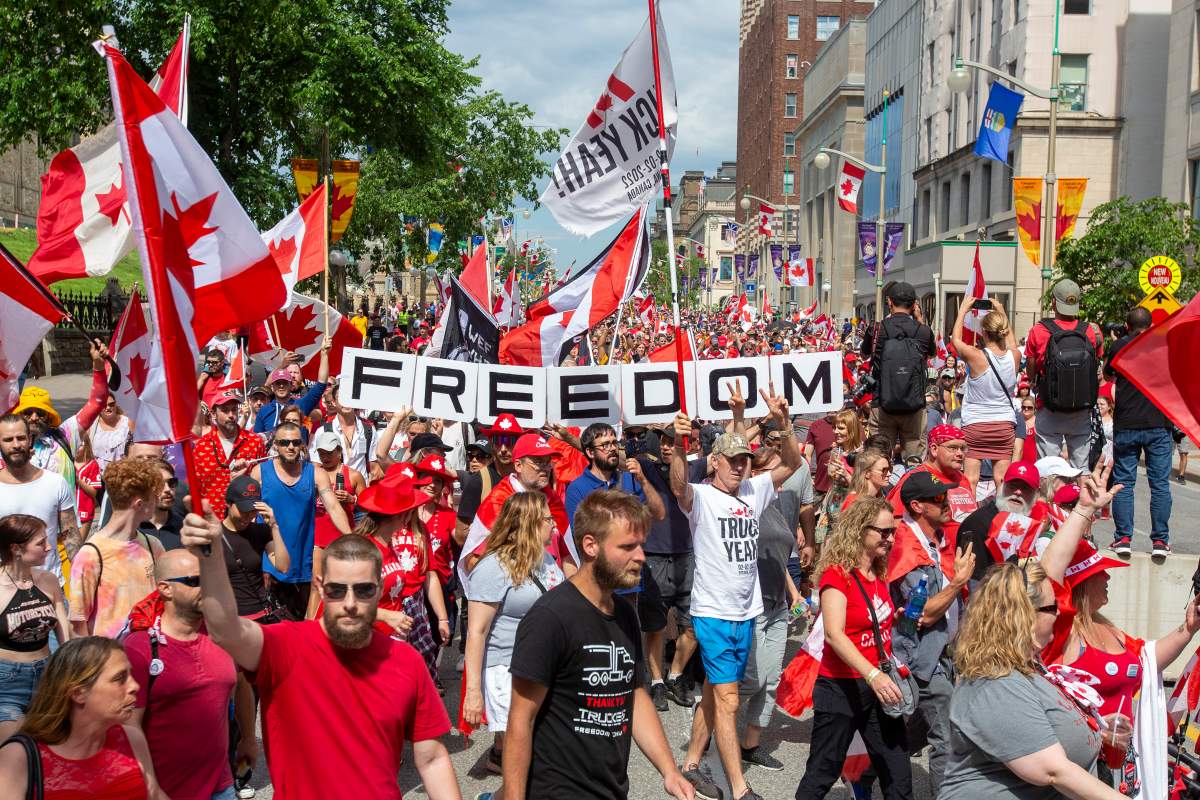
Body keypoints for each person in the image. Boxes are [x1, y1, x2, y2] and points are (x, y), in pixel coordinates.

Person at [179, 511, 461, 800]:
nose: (350, 603)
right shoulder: (285, 646)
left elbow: (432, 759)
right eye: (337, 590)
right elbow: (226, 630)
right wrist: (211, 558)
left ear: (379, 590)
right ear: (320, 587)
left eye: (363, 590)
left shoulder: (406, 662)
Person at [501, 490, 694, 800]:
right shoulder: (549, 618)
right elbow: (520, 720)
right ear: (590, 545)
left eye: (641, 545)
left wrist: (669, 771)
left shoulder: (625, 614)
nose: (641, 556)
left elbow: (633, 693)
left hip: (610, 789)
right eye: (628, 547)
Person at [671, 385, 801, 800]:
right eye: (732, 460)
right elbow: (678, 487)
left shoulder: (754, 489)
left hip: (747, 614)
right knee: (728, 701)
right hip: (712, 613)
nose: (740, 468)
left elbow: (794, 463)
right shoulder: (703, 497)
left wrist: (784, 422)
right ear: (715, 462)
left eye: (745, 460)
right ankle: (740, 790)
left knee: (714, 690)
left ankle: (692, 763)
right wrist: (677, 444)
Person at [938, 560, 1125, 800]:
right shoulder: (996, 682)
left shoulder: (1029, 669)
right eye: (1051, 608)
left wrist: (1095, 728)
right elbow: (1053, 770)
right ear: (1023, 616)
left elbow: (1041, 724)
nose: (1059, 613)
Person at [794, 496, 912, 800]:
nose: (890, 538)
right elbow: (834, 634)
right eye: (883, 532)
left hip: (878, 688)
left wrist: (891, 621)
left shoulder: (878, 571)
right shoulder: (838, 575)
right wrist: (873, 675)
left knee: (897, 772)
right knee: (823, 771)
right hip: (841, 688)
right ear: (860, 530)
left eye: (892, 532)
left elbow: (869, 621)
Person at [463, 493, 566, 785]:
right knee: (524, 760)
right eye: (547, 519)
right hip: (506, 669)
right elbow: (476, 632)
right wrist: (473, 692)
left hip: (542, 668)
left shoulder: (546, 560)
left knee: (538, 754)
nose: (554, 525)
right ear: (530, 524)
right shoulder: (493, 567)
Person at [124, 549, 238, 800]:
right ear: (166, 589)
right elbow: (129, 726)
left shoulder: (222, 635)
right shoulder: (139, 648)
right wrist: (150, 787)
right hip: (168, 792)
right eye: (194, 581)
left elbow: (239, 689)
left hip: (222, 787)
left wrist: (249, 739)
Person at [889, 473, 975, 794]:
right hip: (922, 658)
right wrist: (958, 582)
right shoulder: (908, 548)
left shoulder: (932, 542)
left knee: (902, 734)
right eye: (939, 499)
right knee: (947, 739)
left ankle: (870, 777)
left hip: (940, 655)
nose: (947, 503)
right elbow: (920, 613)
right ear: (917, 506)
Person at [0, 636, 166, 799]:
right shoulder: (17, 758)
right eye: (120, 678)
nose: (135, 686)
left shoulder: (132, 739)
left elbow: (155, 795)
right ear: (78, 693)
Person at [738, 439, 814, 773]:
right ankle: (711, 719)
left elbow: (777, 557)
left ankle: (749, 745)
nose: (779, 481)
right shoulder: (745, 505)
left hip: (778, 606)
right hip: (751, 607)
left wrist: (794, 594)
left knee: (770, 681)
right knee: (751, 680)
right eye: (772, 473)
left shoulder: (777, 509)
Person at [252, 421, 350, 620]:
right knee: (270, 627)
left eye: (296, 442)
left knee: (298, 623)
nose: (290, 447)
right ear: (275, 445)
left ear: (303, 445)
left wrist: (351, 537)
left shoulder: (316, 473)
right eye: (285, 442)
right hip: (269, 564)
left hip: (302, 562)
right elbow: (243, 511)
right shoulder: (260, 473)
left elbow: (333, 506)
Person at [459, 433, 577, 591]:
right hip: (516, 599)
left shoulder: (553, 500)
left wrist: (573, 593)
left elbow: (566, 554)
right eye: (538, 461)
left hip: (553, 600)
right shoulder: (499, 501)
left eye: (548, 461)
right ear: (518, 465)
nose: (545, 467)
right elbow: (473, 560)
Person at [636, 425, 701, 711]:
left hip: (688, 556)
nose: (665, 446)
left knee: (694, 625)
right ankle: (657, 682)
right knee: (655, 627)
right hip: (654, 557)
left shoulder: (695, 468)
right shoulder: (645, 467)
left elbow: (731, 449)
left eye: (672, 441)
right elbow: (602, 451)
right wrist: (568, 438)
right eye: (662, 440)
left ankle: (675, 674)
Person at [1103, 306, 1174, 557]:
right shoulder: (1163, 344)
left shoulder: (1119, 345)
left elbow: (1107, 374)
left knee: (1123, 483)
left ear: (1127, 324)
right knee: (1160, 484)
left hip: (1128, 422)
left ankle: (1123, 537)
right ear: (1151, 324)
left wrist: (1117, 343)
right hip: (1158, 422)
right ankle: (1160, 542)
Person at [69, 458, 166, 638]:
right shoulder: (90, 554)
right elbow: (77, 626)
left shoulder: (154, 546)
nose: (157, 501)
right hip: (109, 658)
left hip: (149, 656)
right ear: (139, 504)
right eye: (154, 497)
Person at [0, 515, 69, 739]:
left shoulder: (48, 580)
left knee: (47, 748)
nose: (49, 547)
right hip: (7, 684)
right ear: (16, 548)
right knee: (15, 750)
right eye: (41, 543)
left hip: (47, 677)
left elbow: (64, 634)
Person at [1024, 279, 1103, 469]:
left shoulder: (1039, 330)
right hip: (1082, 408)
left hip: (1050, 406)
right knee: (1080, 468)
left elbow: (1031, 366)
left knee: (1048, 468)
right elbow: (1096, 365)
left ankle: (1051, 499)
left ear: (1053, 302)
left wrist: (1035, 380)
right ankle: (1078, 497)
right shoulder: (1090, 331)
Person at [0, 414, 79, 584]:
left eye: (21, 438)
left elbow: (71, 537)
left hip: (50, 588)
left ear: (30, 439)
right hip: (4, 592)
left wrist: (82, 579)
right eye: (8, 439)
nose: (16, 445)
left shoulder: (55, 483)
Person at [952, 298, 1021, 490]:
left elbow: (956, 340)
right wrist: (1001, 310)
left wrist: (963, 310)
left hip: (976, 425)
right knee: (1001, 479)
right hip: (1004, 426)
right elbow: (1013, 344)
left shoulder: (976, 356)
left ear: (983, 332)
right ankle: (1002, 518)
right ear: (1004, 331)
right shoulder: (1015, 356)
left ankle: (969, 517)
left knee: (971, 479)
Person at [861, 282, 934, 459]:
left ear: (889, 302)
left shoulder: (877, 329)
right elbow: (931, 354)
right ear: (914, 304)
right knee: (915, 460)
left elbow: (864, 354)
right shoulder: (923, 331)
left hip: (882, 403)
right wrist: (920, 320)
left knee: (878, 459)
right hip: (914, 405)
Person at [955, 462, 1043, 582]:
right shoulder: (978, 523)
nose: (1018, 492)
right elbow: (972, 581)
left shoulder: (1033, 522)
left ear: (1036, 494)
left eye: (1025, 488)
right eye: (1013, 486)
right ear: (1002, 484)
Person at [220, 475, 292, 620]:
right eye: (243, 510)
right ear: (228, 503)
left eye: (252, 510)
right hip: (228, 619)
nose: (247, 516)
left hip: (259, 615)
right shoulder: (213, 535)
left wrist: (274, 526)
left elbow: (283, 567)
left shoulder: (261, 531)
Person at [888, 424, 977, 540]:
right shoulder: (915, 479)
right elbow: (895, 521)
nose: (960, 454)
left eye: (963, 448)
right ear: (934, 449)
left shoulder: (961, 477)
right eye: (953, 448)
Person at [192, 392, 268, 520]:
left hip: (246, 520)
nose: (231, 415)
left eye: (234, 410)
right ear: (213, 414)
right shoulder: (201, 446)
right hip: (212, 520)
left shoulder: (255, 442)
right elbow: (195, 487)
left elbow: (265, 481)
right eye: (225, 411)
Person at [253, 341, 330, 433]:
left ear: (290, 385)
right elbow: (258, 439)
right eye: (278, 383)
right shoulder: (264, 411)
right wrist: (283, 364)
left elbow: (321, 384)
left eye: (285, 383)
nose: (281, 386)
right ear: (272, 387)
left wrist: (324, 354)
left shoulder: (301, 404)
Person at [310, 388, 379, 480]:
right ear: (333, 402)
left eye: (350, 397)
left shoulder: (369, 430)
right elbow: (316, 466)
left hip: (361, 490)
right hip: (334, 489)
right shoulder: (322, 431)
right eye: (342, 398)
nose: (347, 402)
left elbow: (374, 468)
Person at [139, 460, 185, 550]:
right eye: (159, 484)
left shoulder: (185, 528)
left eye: (171, 482)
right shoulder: (132, 527)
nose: (167, 489)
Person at [89, 396, 134, 474]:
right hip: (96, 477)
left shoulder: (128, 423)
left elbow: (136, 447)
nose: (108, 407)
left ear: (115, 404)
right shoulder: (92, 425)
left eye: (111, 404)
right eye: (104, 405)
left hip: (121, 475)